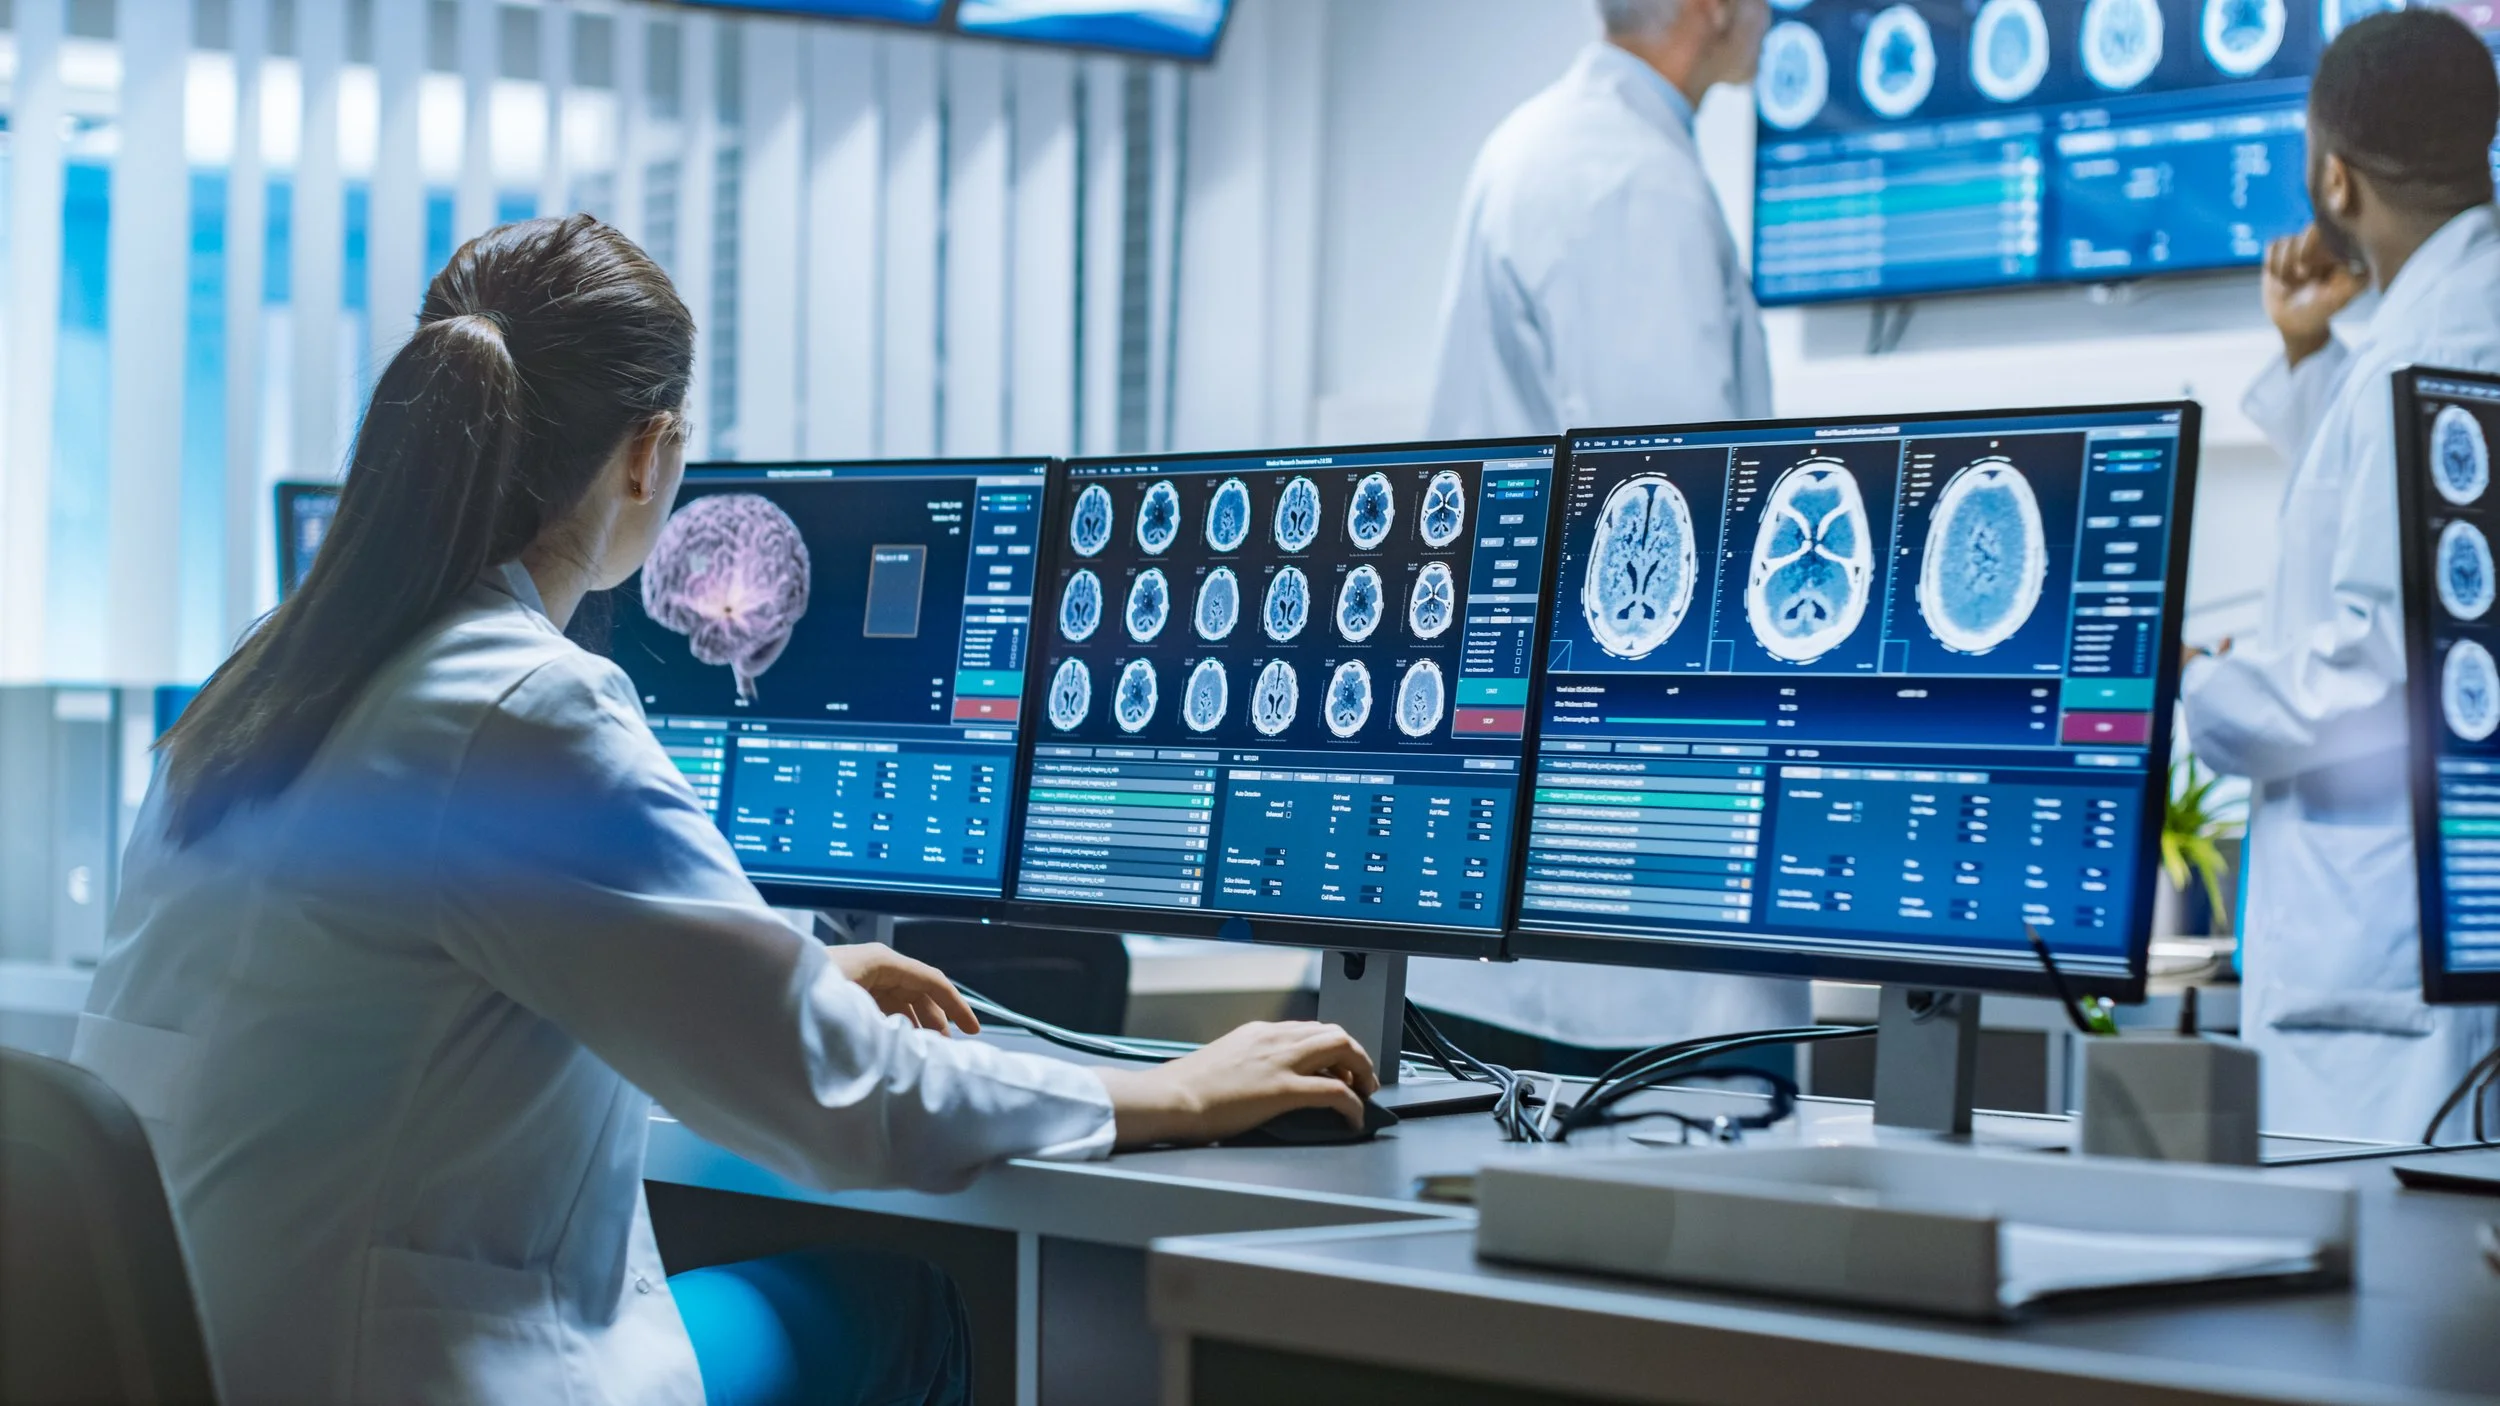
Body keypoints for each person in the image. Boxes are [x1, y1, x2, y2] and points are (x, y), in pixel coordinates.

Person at [71, 216, 1377, 1406]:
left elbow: (429, 981)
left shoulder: (270, 674)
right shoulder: (525, 705)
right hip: (399, 1368)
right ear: (649, 454)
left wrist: (777, 978)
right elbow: (840, 1096)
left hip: (218, 1351)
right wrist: (1166, 1091)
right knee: (908, 1310)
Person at [1409, 0, 1807, 1070]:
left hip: (1528, 863)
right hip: (1626, 916)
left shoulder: (1535, 144)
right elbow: (1675, 520)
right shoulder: (1634, 182)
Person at [2181, 8, 2500, 1143]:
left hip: (2391, 956)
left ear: (2333, 178)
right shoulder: (2451, 320)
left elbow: (2383, 670)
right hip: (2405, 930)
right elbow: (2408, 532)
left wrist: (2198, 681)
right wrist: (2314, 354)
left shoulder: (2433, 347)